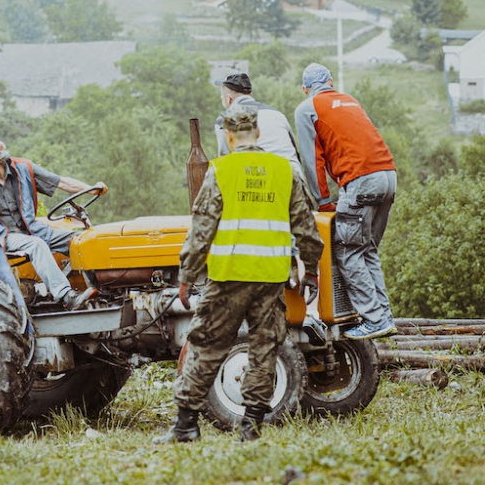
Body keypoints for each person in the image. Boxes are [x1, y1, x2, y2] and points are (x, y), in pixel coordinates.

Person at [159, 105, 323, 444]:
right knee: (264, 349)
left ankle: (186, 425)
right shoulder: (284, 171)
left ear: (228, 137)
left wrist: (187, 274)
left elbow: (202, 229)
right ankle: (251, 428)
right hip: (269, 279)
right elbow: (307, 230)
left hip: (228, 277)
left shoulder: (221, 171)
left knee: (205, 345)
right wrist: (311, 274)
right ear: (258, 134)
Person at [294, 63, 398, 340]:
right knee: (368, 249)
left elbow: (311, 158)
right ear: (330, 81)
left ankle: (374, 319)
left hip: (360, 180)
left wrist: (323, 200)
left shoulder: (308, 108)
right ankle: (384, 317)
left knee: (348, 249)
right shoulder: (351, 101)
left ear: (305, 89)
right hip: (388, 176)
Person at [0, 135, 104, 311]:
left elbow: (61, 182)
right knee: (37, 245)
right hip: (4, 237)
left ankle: (101, 289)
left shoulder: (24, 169)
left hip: (34, 230)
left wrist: (91, 189)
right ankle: (67, 296)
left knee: (82, 240)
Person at [213, 72, 303, 177]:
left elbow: (226, 161)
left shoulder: (225, 119)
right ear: (250, 94)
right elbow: (295, 150)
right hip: (293, 175)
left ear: (229, 99)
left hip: (262, 180)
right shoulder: (277, 114)